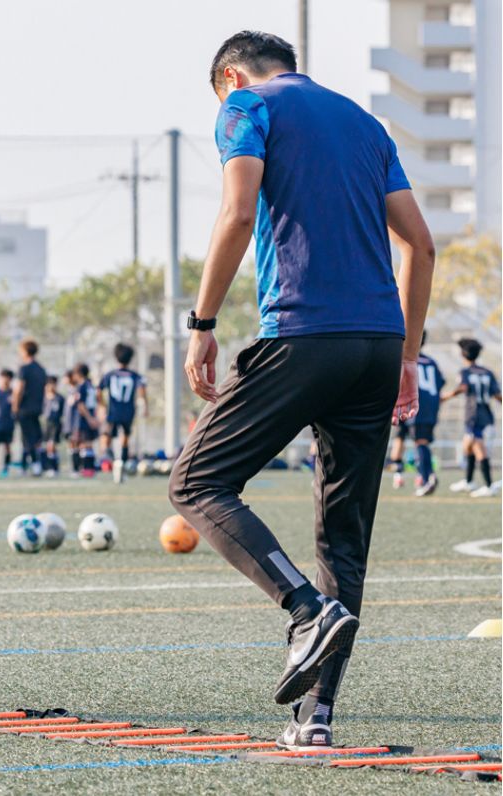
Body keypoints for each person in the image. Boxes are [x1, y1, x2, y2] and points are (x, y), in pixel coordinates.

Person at [168, 31, 434, 752]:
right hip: (378, 346)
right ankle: (315, 718)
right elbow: (420, 244)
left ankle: (305, 608)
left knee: (196, 480)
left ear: (231, 77)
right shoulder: (365, 123)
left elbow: (237, 212)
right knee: (344, 537)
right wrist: (408, 356)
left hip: (304, 334)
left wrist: (202, 325)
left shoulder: (246, 106)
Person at [443, 337, 502, 497]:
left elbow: (462, 387)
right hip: (486, 415)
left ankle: (489, 486)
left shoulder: (465, 372)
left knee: (478, 448)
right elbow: (497, 395)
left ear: (463, 354)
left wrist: (445, 397)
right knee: (467, 446)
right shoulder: (488, 372)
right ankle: (469, 482)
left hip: (473, 415)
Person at [98, 343, 148, 484]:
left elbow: (98, 390)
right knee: (125, 438)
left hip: (112, 411)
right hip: (128, 411)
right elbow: (142, 390)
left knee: (106, 437)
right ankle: (122, 464)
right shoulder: (135, 376)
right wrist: (145, 406)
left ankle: (114, 461)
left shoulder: (110, 375)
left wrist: (102, 406)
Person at [409, 331, 445, 497]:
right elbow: (440, 383)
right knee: (422, 442)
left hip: (417, 406)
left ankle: (427, 478)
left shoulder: (409, 360)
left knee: (420, 442)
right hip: (432, 407)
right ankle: (425, 475)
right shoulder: (432, 362)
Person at [12, 338, 48, 475]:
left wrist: (15, 407)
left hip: (24, 409)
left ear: (25, 351)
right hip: (37, 408)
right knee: (34, 437)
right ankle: (26, 466)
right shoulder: (41, 369)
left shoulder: (24, 368)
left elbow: (19, 389)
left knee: (28, 438)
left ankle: (35, 465)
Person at [67, 363, 99, 477]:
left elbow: (81, 405)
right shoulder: (91, 385)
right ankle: (88, 469)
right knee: (87, 444)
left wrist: (90, 419)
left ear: (78, 374)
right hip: (90, 417)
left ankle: (81, 469)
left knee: (80, 443)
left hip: (82, 420)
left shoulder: (81, 386)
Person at [41, 375, 66, 477]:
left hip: (56, 424)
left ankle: (53, 468)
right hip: (46, 424)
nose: (51, 387)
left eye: (53, 384)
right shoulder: (43, 398)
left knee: (52, 445)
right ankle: (50, 467)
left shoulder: (60, 398)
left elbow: (64, 412)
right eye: (49, 384)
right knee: (47, 446)